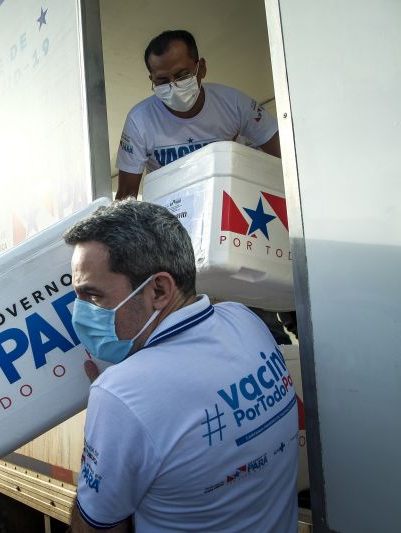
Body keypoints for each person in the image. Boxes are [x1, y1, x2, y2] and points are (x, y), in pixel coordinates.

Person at [64, 200, 298, 532]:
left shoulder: (122, 394)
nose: (80, 312)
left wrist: (118, 401)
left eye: (92, 296)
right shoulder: (244, 320)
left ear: (158, 289)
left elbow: (94, 527)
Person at [115, 29, 281, 200]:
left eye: (182, 75)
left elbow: (285, 156)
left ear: (201, 68)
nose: (174, 86)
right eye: (163, 80)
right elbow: (126, 196)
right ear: (152, 80)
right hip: (171, 211)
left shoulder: (234, 103)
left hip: (229, 202)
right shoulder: (139, 120)